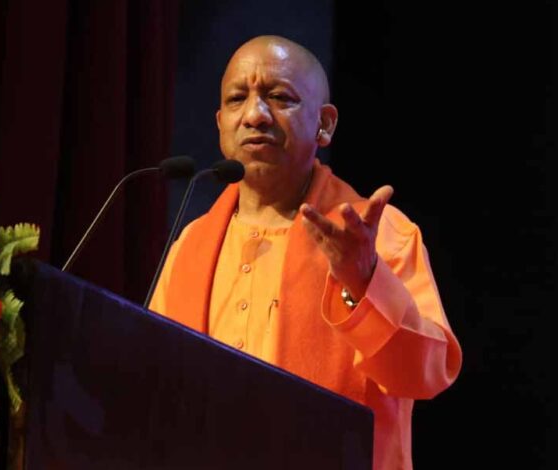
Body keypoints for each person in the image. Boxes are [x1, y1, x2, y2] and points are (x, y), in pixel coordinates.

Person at [149, 35, 462, 470]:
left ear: (325, 124)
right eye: (237, 99)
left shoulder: (376, 234)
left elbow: (423, 375)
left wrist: (364, 282)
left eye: (279, 97)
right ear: (220, 123)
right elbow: (155, 381)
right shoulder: (191, 244)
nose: (255, 115)